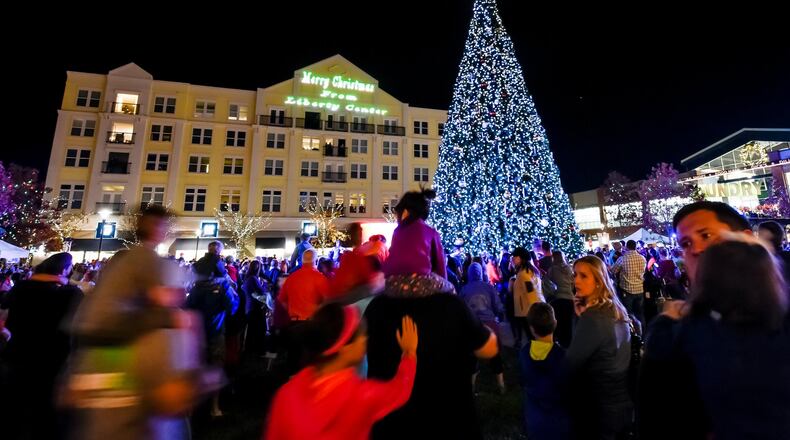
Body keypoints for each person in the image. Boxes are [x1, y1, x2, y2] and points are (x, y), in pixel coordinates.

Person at [639, 202, 789, 440]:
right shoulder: (686, 328)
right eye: (685, 244)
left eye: (706, 235)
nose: (695, 250)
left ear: (745, 240)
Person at [67, 205, 209, 440]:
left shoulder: (123, 260)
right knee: (186, 321)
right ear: (157, 228)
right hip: (119, 339)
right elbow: (164, 298)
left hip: (96, 341)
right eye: (162, 226)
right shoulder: (144, 257)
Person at [365, 234, 498, 440]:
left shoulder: (377, 307)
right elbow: (488, 349)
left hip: (393, 423)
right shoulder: (452, 305)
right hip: (448, 420)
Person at [264, 304, 418, 440]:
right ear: (345, 347)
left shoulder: (286, 394)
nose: (366, 340)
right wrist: (409, 353)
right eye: (362, 336)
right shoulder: (361, 396)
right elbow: (398, 391)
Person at [1, 253, 83, 439]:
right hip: (52, 361)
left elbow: (5, 304)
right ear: (64, 269)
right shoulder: (70, 293)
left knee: (15, 411)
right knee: (45, 416)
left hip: (18, 355)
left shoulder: (22, 286)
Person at [566, 256, 633, 440]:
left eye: (583, 276)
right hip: (623, 401)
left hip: (599, 406)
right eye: (575, 275)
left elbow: (570, 363)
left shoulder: (593, 318)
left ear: (598, 281)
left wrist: (579, 320)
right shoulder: (616, 309)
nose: (576, 280)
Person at [520, 302, 569, 440]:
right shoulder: (562, 356)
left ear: (532, 329)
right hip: (559, 424)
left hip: (534, 421)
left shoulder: (524, 353)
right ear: (555, 323)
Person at [460, 262, 506, 394]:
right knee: (495, 355)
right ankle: (501, 385)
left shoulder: (464, 289)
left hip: (472, 325)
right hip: (490, 324)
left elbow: (461, 309)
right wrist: (500, 314)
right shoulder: (489, 287)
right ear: (481, 272)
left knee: (472, 357)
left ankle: (471, 387)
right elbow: (498, 306)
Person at [381, 189, 447, 279]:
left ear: (405, 212)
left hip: (393, 280)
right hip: (421, 280)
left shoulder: (398, 231)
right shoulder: (431, 232)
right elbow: (440, 266)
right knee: (450, 289)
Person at [509, 247, 545, 348]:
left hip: (527, 311)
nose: (512, 259)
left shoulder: (523, 275)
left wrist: (534, 311)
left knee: (532, 338)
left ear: (520, 258)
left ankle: (536, 359)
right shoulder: (530, 271)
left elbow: (531, 293)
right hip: (529, 310)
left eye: (514, 257)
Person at [610, 240, 646, 335]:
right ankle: (643, 335)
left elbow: (613, 271)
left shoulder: (623, 258)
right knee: (639, 314)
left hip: (627, 290)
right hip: (639, 289)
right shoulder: (642, 258)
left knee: (628, 314)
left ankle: (633, 336)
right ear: (635, 246)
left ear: (626, 247)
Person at [546, 250, 575, 348]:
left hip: (558, 299)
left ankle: (563, 346)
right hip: (570, 298)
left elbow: (548, 283)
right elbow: (573, 282)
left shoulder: (552, 269)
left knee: (560, 323)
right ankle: (570, 344)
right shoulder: (569, 268)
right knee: (569, 323)